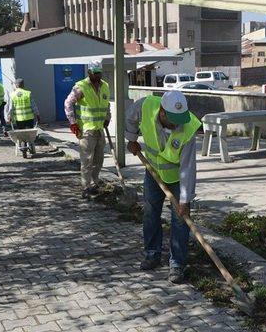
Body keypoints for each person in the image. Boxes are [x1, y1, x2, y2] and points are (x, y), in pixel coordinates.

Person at [125, 90, 201, 284]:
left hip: (176, 178)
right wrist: (131, 139)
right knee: (150, 212)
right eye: (173, 119)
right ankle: (152, 254)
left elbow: (188, 168)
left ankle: (177, 264)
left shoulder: (188, 127)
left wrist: (184, 199)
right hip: (153, 171)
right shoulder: (147, 105)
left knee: (180, 219)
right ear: (162, 112)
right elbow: (130, 116)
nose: (178, 123)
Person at [64, 59, 111, 199]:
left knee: (99, 160)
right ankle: (86, 187)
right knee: (87, 161)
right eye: (95, 73)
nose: (97, 76)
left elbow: (106, 104)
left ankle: (95, 183)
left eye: (99, 73)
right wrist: (73, 122)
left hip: (99, 130)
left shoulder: (105, 86)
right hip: (86, 131)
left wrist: (108, 117)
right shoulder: (81, 87)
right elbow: (68, 104)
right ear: (89, 72)